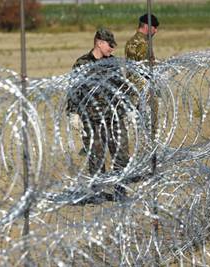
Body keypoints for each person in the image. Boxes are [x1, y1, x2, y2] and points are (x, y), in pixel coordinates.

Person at [67, 28, 129, 202]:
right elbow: (74, 91)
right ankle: (98, 194)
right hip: (92, 120)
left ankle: (120, 192)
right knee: (97, 158)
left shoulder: (113, 62)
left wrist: (128, 108)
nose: (112, 49)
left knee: (121, 155)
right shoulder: (82, 63)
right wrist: (73, 113)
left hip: (114, 118)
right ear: (99, 43)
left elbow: (121, 86)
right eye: (109, 45)